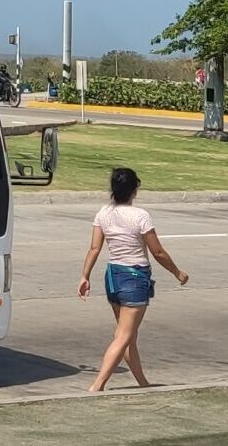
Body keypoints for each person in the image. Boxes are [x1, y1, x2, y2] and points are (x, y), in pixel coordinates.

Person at [77, 166, 187, 392]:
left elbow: (94, 248)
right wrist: (177, 272)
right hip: (134, 279)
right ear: (133, 190)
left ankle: (143, 384)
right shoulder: (140, 216)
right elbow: (158, 252)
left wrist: (85, 276)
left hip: (113, 277)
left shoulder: (103, 213)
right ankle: (97, 385)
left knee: (127, 336)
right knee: (123, 336)